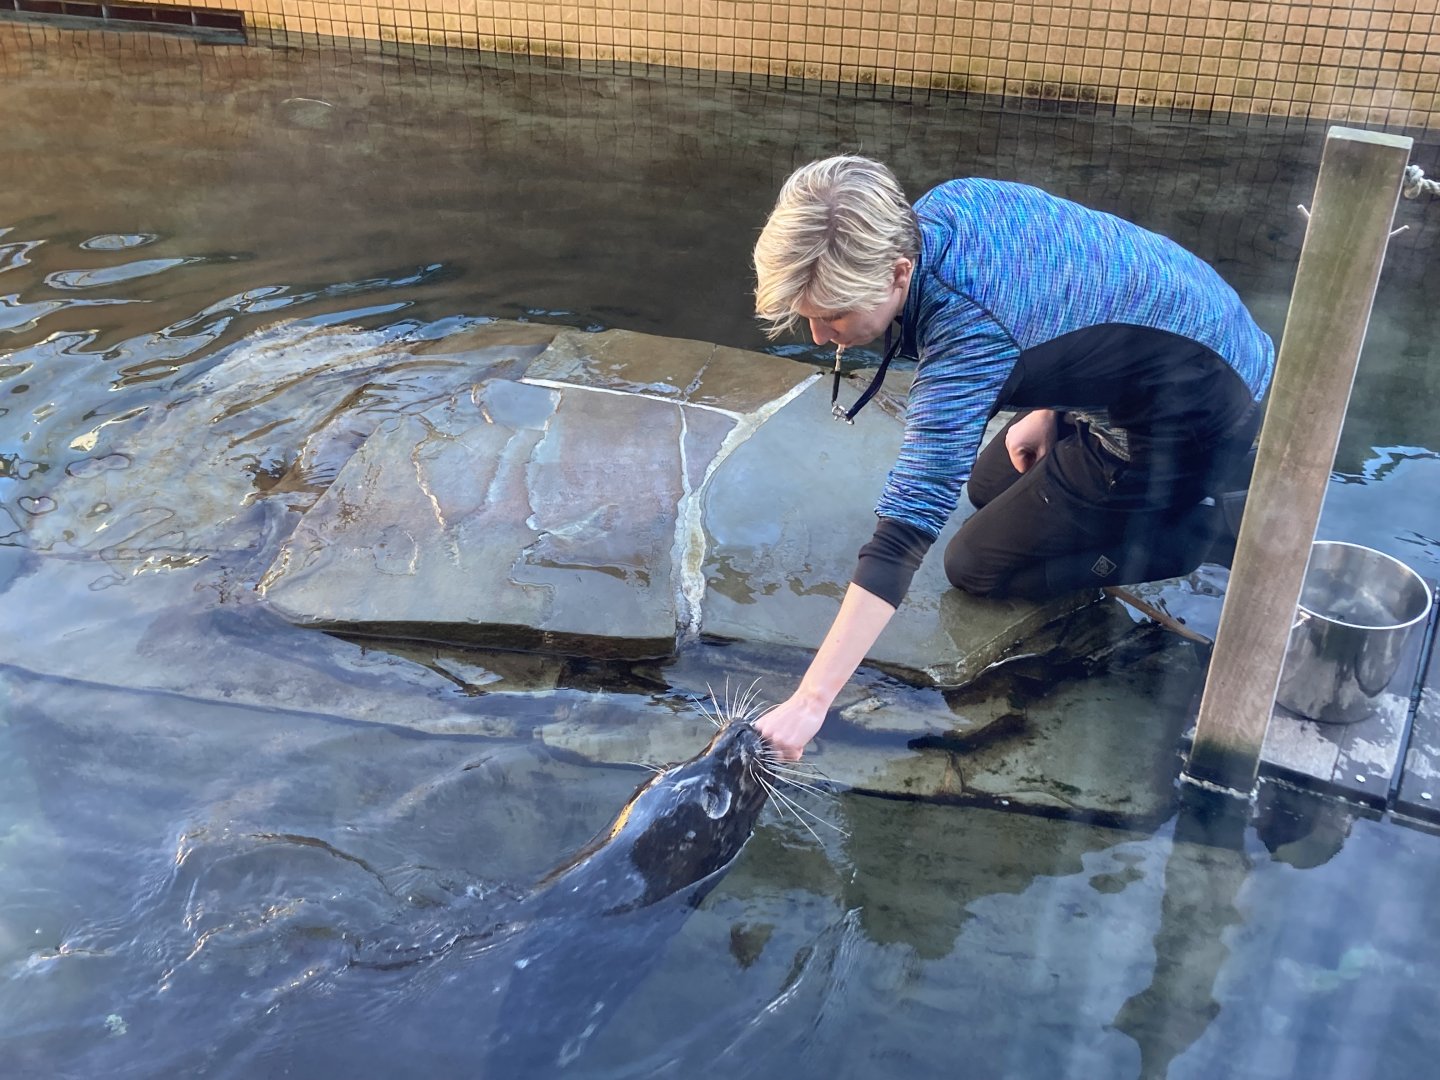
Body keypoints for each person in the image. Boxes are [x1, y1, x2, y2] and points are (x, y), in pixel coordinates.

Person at [750, 155, 1274, 761]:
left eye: (833, 314)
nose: (818, 336)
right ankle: (1102, 461)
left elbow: (904, 529)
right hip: (1188, 349)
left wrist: (811, 701)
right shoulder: (948, 206)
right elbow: (1075, 281)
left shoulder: (969, 332)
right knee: (990, 481)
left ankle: (1210, 533)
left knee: (976, 566)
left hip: (1199, 417)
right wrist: (1049, 405)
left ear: (898, 273)